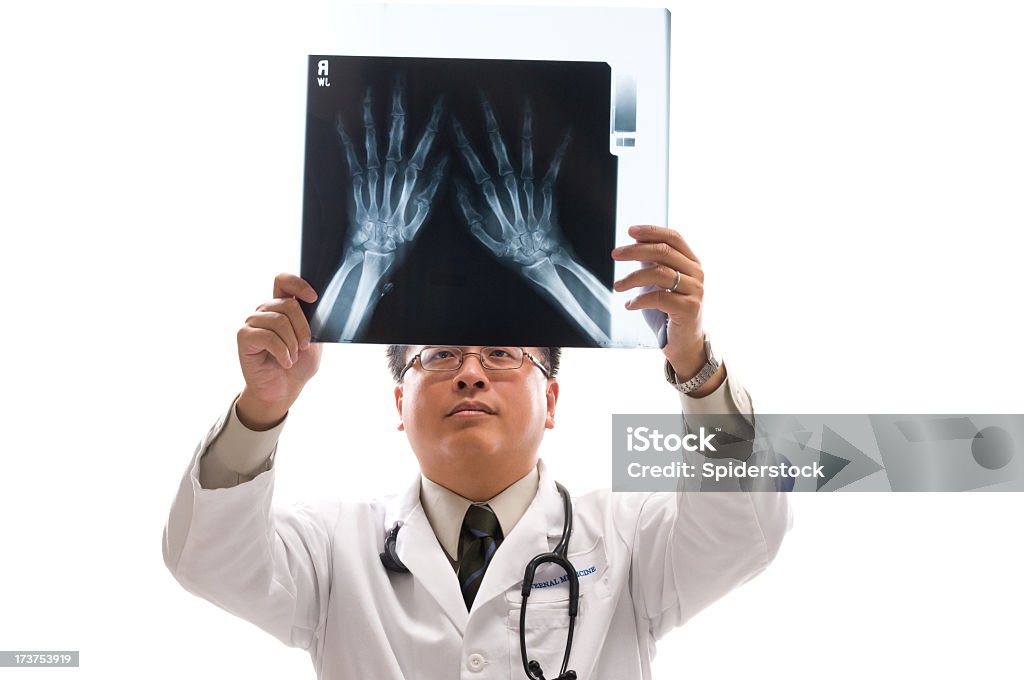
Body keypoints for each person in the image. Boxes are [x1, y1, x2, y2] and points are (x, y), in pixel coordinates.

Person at [162, 225, 790, 680]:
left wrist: (696, 366)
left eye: (501, 354)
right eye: (438, 357)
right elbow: (208, 560)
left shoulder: (628, 538)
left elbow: (744, 528)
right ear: (399, 405)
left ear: (551, 399)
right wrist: (263, 405)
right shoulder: (332, 548)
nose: (470, 374)